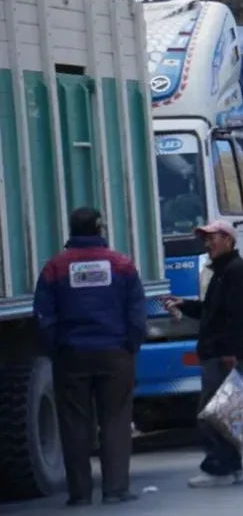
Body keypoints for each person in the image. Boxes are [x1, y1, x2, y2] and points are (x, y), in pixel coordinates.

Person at [33, 206, 146, 507]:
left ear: (71, 230)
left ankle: (80, 494)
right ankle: (115, 490)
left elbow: (44, 315)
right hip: (115, 354)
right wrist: (130, 346)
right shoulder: (122, 265)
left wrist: (56, 349)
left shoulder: (55, 268)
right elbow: (136, 313)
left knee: (74, 424)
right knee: (116, 421)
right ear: (100, 229)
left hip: (72, 355)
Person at [161, 219, 243, 488]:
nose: (207, 244)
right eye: (206, 239)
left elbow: (238, 319)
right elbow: (211, 311)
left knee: (211, 416)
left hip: (222, 356)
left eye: (212, 238)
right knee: (225, 415)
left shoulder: (236, 271)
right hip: (217, 354)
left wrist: (230, 354)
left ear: (227, 239)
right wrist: (185, 305)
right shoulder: (223, 271)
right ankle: (233, 468)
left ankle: (218, 469)